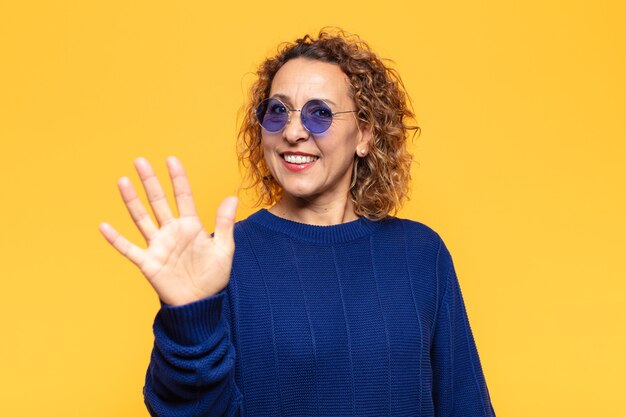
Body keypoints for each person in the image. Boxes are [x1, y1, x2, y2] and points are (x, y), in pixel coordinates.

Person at [99, 29, 496, 417]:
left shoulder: (421, 255)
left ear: (365, 134)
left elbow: (466, 403)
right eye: (277, 111)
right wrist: (190, 318)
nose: (292, 132)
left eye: (319, 114)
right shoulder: (219, 261)